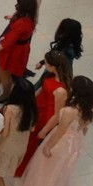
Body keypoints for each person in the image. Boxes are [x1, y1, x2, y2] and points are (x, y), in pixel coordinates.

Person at [18, 76, 93, 186]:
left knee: (47, 169)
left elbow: (59, 133)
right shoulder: (89, 109)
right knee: (58, 171)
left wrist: (48, 146)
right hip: (75, 141)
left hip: (62, 142)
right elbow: (84, 129)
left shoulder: (69, 111)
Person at [15, 49, 71, 177]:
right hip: (37, 108)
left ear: (53, 66)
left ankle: (23, 168)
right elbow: (40, 91)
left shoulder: (61, 90)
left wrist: (44, 131)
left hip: (45, 117)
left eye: (46, 63)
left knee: (31, 143)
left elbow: (57, 114)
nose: (44, 64)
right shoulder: (49, 75)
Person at [0, 0, 38, 101]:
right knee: (0, 66)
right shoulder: (30, 18)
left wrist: (0, 47)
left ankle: (6, 95)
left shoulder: (22, 22)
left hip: (13, 50)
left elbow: (11, 39)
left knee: (5, 72)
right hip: (19, 47)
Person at [33, 18, 83, 90]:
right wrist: (42, 62)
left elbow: (54, 58)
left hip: (56, 72)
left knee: (42, 85)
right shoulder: (70, 44)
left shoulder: (66, 51)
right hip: (61, 71)